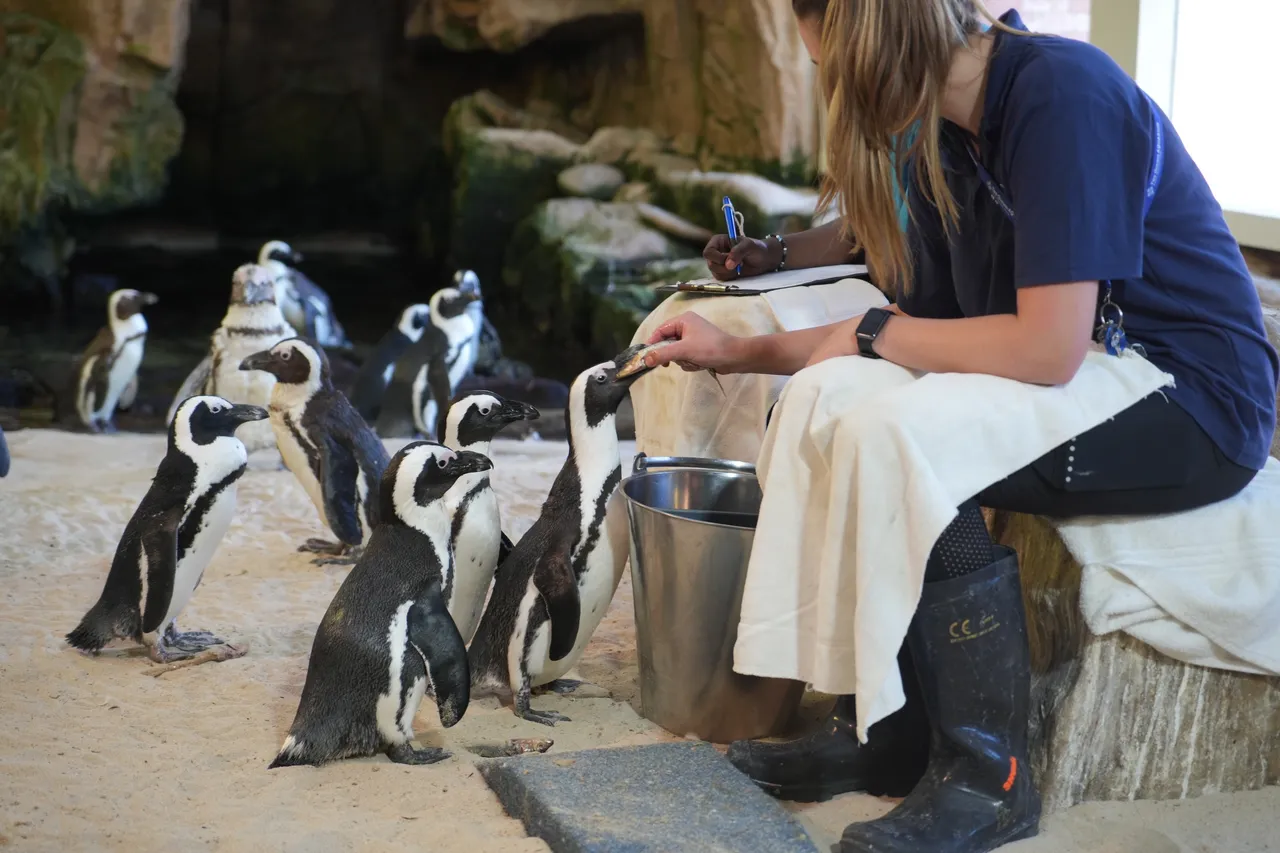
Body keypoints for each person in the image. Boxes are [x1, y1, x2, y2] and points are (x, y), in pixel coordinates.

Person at [638, 2, 1279, 852]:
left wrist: (869, 337)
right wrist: (737, 350)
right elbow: (894, 330)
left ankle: (989, 777)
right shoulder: (945, 134)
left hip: (1189, 396)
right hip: (1094, 368)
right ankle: (890, 723)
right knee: (828, 400)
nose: (837, 88)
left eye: (833, 64)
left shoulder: (1060, 93)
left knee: (903, 434)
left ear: (875, 40)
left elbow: (1048, 349)